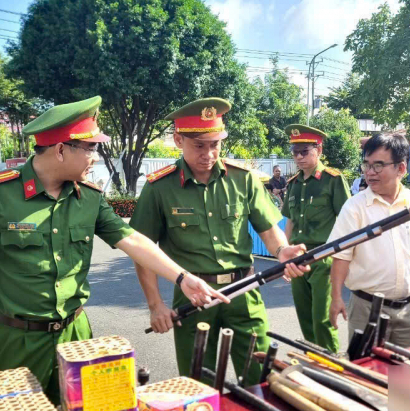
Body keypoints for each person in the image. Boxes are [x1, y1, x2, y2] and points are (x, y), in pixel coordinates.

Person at [0, 96, 225, 404]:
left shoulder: (89, 198)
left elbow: (132, 240)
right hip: (16, 341)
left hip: (75, 336)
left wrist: (183, 278)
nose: (95, 158)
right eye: (90, 148)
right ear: (61, 150)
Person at [130, 98, 307, 385]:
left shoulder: (242, 179)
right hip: (193, 297)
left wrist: (281, 250)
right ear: (178, 140)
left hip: (243, 291)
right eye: (199, 145)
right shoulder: (159, 188)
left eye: (215, 144)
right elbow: (143, 250)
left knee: (261, 378)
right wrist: (155, 304)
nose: (208, 153)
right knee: (199, 385)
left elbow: (267, 228)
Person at [328, 133, 410, 347]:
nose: (369, 172)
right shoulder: (355, 207)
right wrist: (336, 296)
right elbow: (342, 256)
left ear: (401, 168)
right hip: (367, 308)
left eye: (378, 166)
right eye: (366, 165)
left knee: (406, 366)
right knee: (366, 366)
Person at [282, 124, 351, 352]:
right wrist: (284, 257)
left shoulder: (333, 180)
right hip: (298, 258)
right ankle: (314, 361)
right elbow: (290, 222)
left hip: (324, 256)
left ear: (318, 150)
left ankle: (332, 364)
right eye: (295, 153)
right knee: (305, 318)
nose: (299, 157)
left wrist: (343, 258)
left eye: (304, 152)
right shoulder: (293, 184)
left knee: (322, 319)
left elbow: (347, 220)